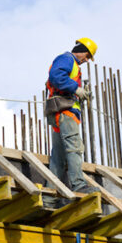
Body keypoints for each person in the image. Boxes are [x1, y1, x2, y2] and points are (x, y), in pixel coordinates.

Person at [44, 38, 99, 207]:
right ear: (81, 50)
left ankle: (48, 198)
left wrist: (79, 93)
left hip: (62, 114)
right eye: (87, 56)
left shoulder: (72, 65)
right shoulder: (67, 59)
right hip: (65, 113)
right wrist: (76, 89)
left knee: (58, 159)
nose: (87, 60)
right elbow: (56, 76)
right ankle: (79, 185)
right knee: (75, 147)